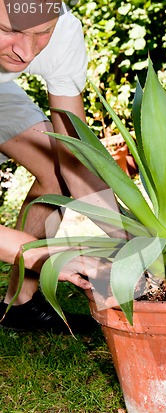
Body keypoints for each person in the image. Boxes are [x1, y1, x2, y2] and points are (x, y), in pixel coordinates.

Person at [0, 0, 110, 331]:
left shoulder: (64, 32)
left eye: (42, 31)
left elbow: (75, 159)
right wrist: (46, 254)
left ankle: (19, 304)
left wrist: (140, 240)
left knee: (56, 167)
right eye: (9, 30)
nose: (26, 52)